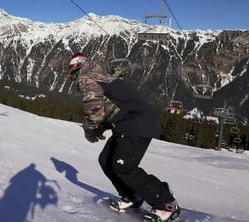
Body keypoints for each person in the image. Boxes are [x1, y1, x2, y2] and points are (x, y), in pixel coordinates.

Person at [67, 53, 180, 222]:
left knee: (124, 166)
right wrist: (103, 126)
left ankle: (167, 204)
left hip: (137, 122)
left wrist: (90, 130)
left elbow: (95, 111)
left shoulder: (86, 78)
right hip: (127, 123)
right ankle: (131, 196)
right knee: (106, 160)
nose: (72, 79)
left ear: (75, 69)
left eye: (71, 74)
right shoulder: (100, 76)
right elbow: (112, 105)